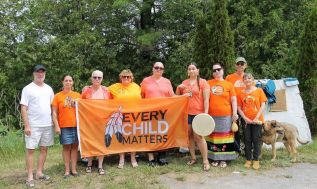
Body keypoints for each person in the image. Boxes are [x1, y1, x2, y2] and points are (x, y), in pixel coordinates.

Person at [20, 65, 54, 187]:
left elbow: (52, 107)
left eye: (42, 72)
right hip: (33, 125)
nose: (40, 74)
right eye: (38, 72)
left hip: (47, 124)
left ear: (44, 74)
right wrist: (27, 125)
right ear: (33, 74)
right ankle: (29, 177)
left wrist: (54, 124)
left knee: (44, 149)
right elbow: (23, 108)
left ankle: (39, 172)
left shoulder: (49, 89)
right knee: (31, 150)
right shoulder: (27, 89)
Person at [176, 63, 210, 171]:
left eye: (193, 68)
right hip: (186, 113)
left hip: (198, 114)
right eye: (189, 69)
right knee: (189, 136)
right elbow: (177, 98)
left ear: (197, 71)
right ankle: (193, 158)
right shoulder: (184, 83)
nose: (191, 70)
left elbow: (206, 100)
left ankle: (205, 161)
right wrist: (178, 88)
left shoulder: (203, 82)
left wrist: (205, 113)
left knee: (199, 137)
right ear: (187, 71)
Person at [140, 62, 174, 166]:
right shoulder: (146, 81)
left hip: (163, 112)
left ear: (163, 70)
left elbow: (172, 96)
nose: (158, 69)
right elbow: (141, 96)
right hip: (149, 112)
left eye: (161, 68)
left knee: (162, 134)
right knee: (150, 134)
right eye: (156, 67)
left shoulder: (167, 82)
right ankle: (151, 159)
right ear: (153, 69)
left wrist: (184, 96)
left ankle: (161, 157)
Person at [206, 63, 239, 168]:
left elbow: (234, 100)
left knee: (225, 137)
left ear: (223, 70)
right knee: (213, 137)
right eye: (214, 70)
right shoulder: (208, 83)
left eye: (218, 69)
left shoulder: (229, 84)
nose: (216, 72)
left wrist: (234, 113)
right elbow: (205, 98)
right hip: (211, 116)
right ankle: (215, 158)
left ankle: (224, 159)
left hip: (226, 115)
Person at [108, 69, 141, 169]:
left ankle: (133, 158)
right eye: (124, 77)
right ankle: (121, 158)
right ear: (120, 78)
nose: (126, 78)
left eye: (128, 77)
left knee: (132, 137)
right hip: (120, 116)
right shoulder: (114, 87)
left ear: (131, 78)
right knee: (120, 136)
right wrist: (88, 87)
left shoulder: (136, 87)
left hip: (134, 115)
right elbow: (102, 89)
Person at [81, 70, 111, 175]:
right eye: (95, 77)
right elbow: (80, 105)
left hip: (103, 121)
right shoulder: (86, 91)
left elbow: (111, 104)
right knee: (90, 142)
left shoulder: (106, 91)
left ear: (102, 79)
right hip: (89, 122)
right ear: (91, 78)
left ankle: (100, 165)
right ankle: (89, 164)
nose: (97, 79)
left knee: (101, 143)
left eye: (99, 77)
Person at [52, 75, 81, 178]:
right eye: (66, 80)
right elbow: (54, 113)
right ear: (62, 82)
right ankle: (67, 171)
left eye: (70, 80)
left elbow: (83, 110)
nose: (68, 82)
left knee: (74, 147)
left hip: (76, 126)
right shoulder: (57, 96)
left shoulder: (78, 95)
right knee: (66, 147)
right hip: (64, 126)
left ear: (72, 82)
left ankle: (74, 170)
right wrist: (56, 126)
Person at [237, 73, 267, 170]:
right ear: (243, 81)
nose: (247, 80)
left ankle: (256, 160)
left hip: (257, 121)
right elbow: (239, 107)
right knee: (247, 140)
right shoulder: (241, 93)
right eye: (245, 79)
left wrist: (257, 118)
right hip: (246, 121)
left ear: (252, 80)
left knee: (256, 140)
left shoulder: (259, 91)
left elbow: (263, 105)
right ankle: (248, 159)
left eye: (249, 78)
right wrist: (245, 118)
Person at [225, 57, 248, 153]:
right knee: (235, 129)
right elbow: (226, 92)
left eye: (242, 64)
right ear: (235, 65)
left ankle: (248, 150)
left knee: (247, 129)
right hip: (233, 107)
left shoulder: (248, 77)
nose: (240, 66)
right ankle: (236, 149)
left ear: (245, 65)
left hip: (246, 108)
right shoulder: (229, 77)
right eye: (238, 64)